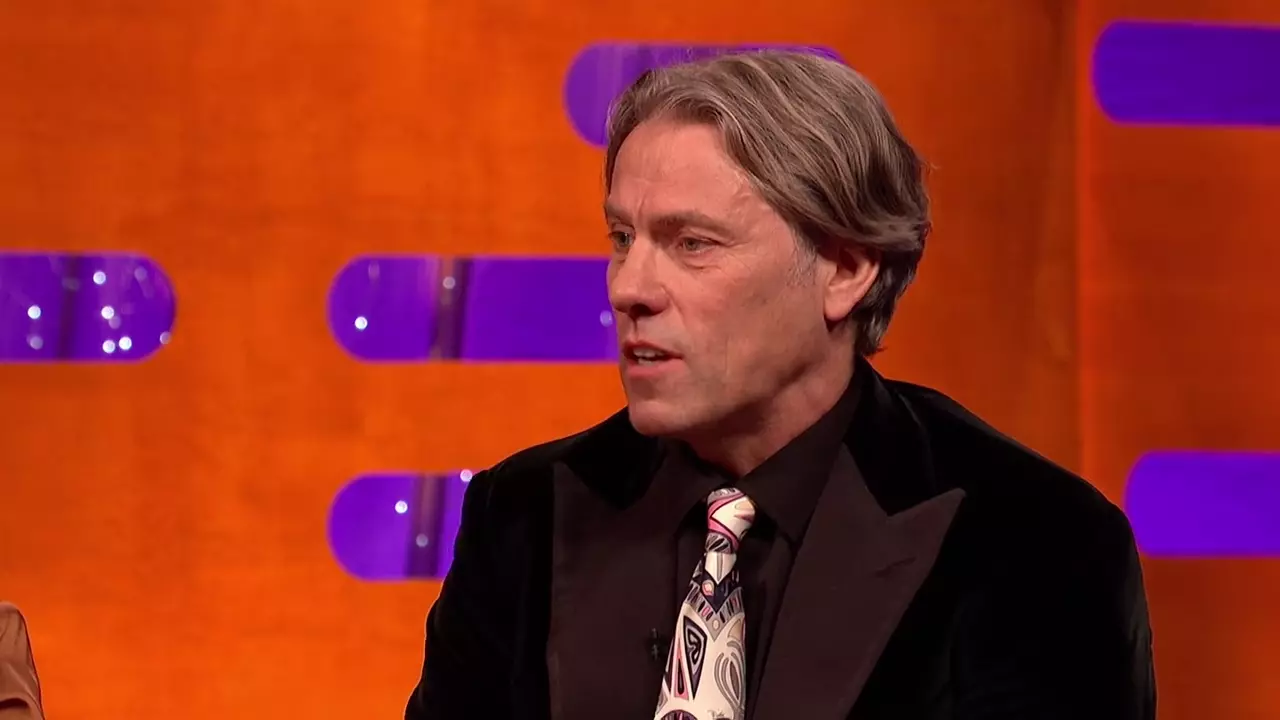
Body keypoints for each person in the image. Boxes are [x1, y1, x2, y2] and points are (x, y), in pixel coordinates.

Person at [404, 49, 1156, 719]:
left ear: (846, 270)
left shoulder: (1036, 541)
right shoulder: (523, 513)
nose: (629, 288)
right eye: (623, 238)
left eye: (691, 243)